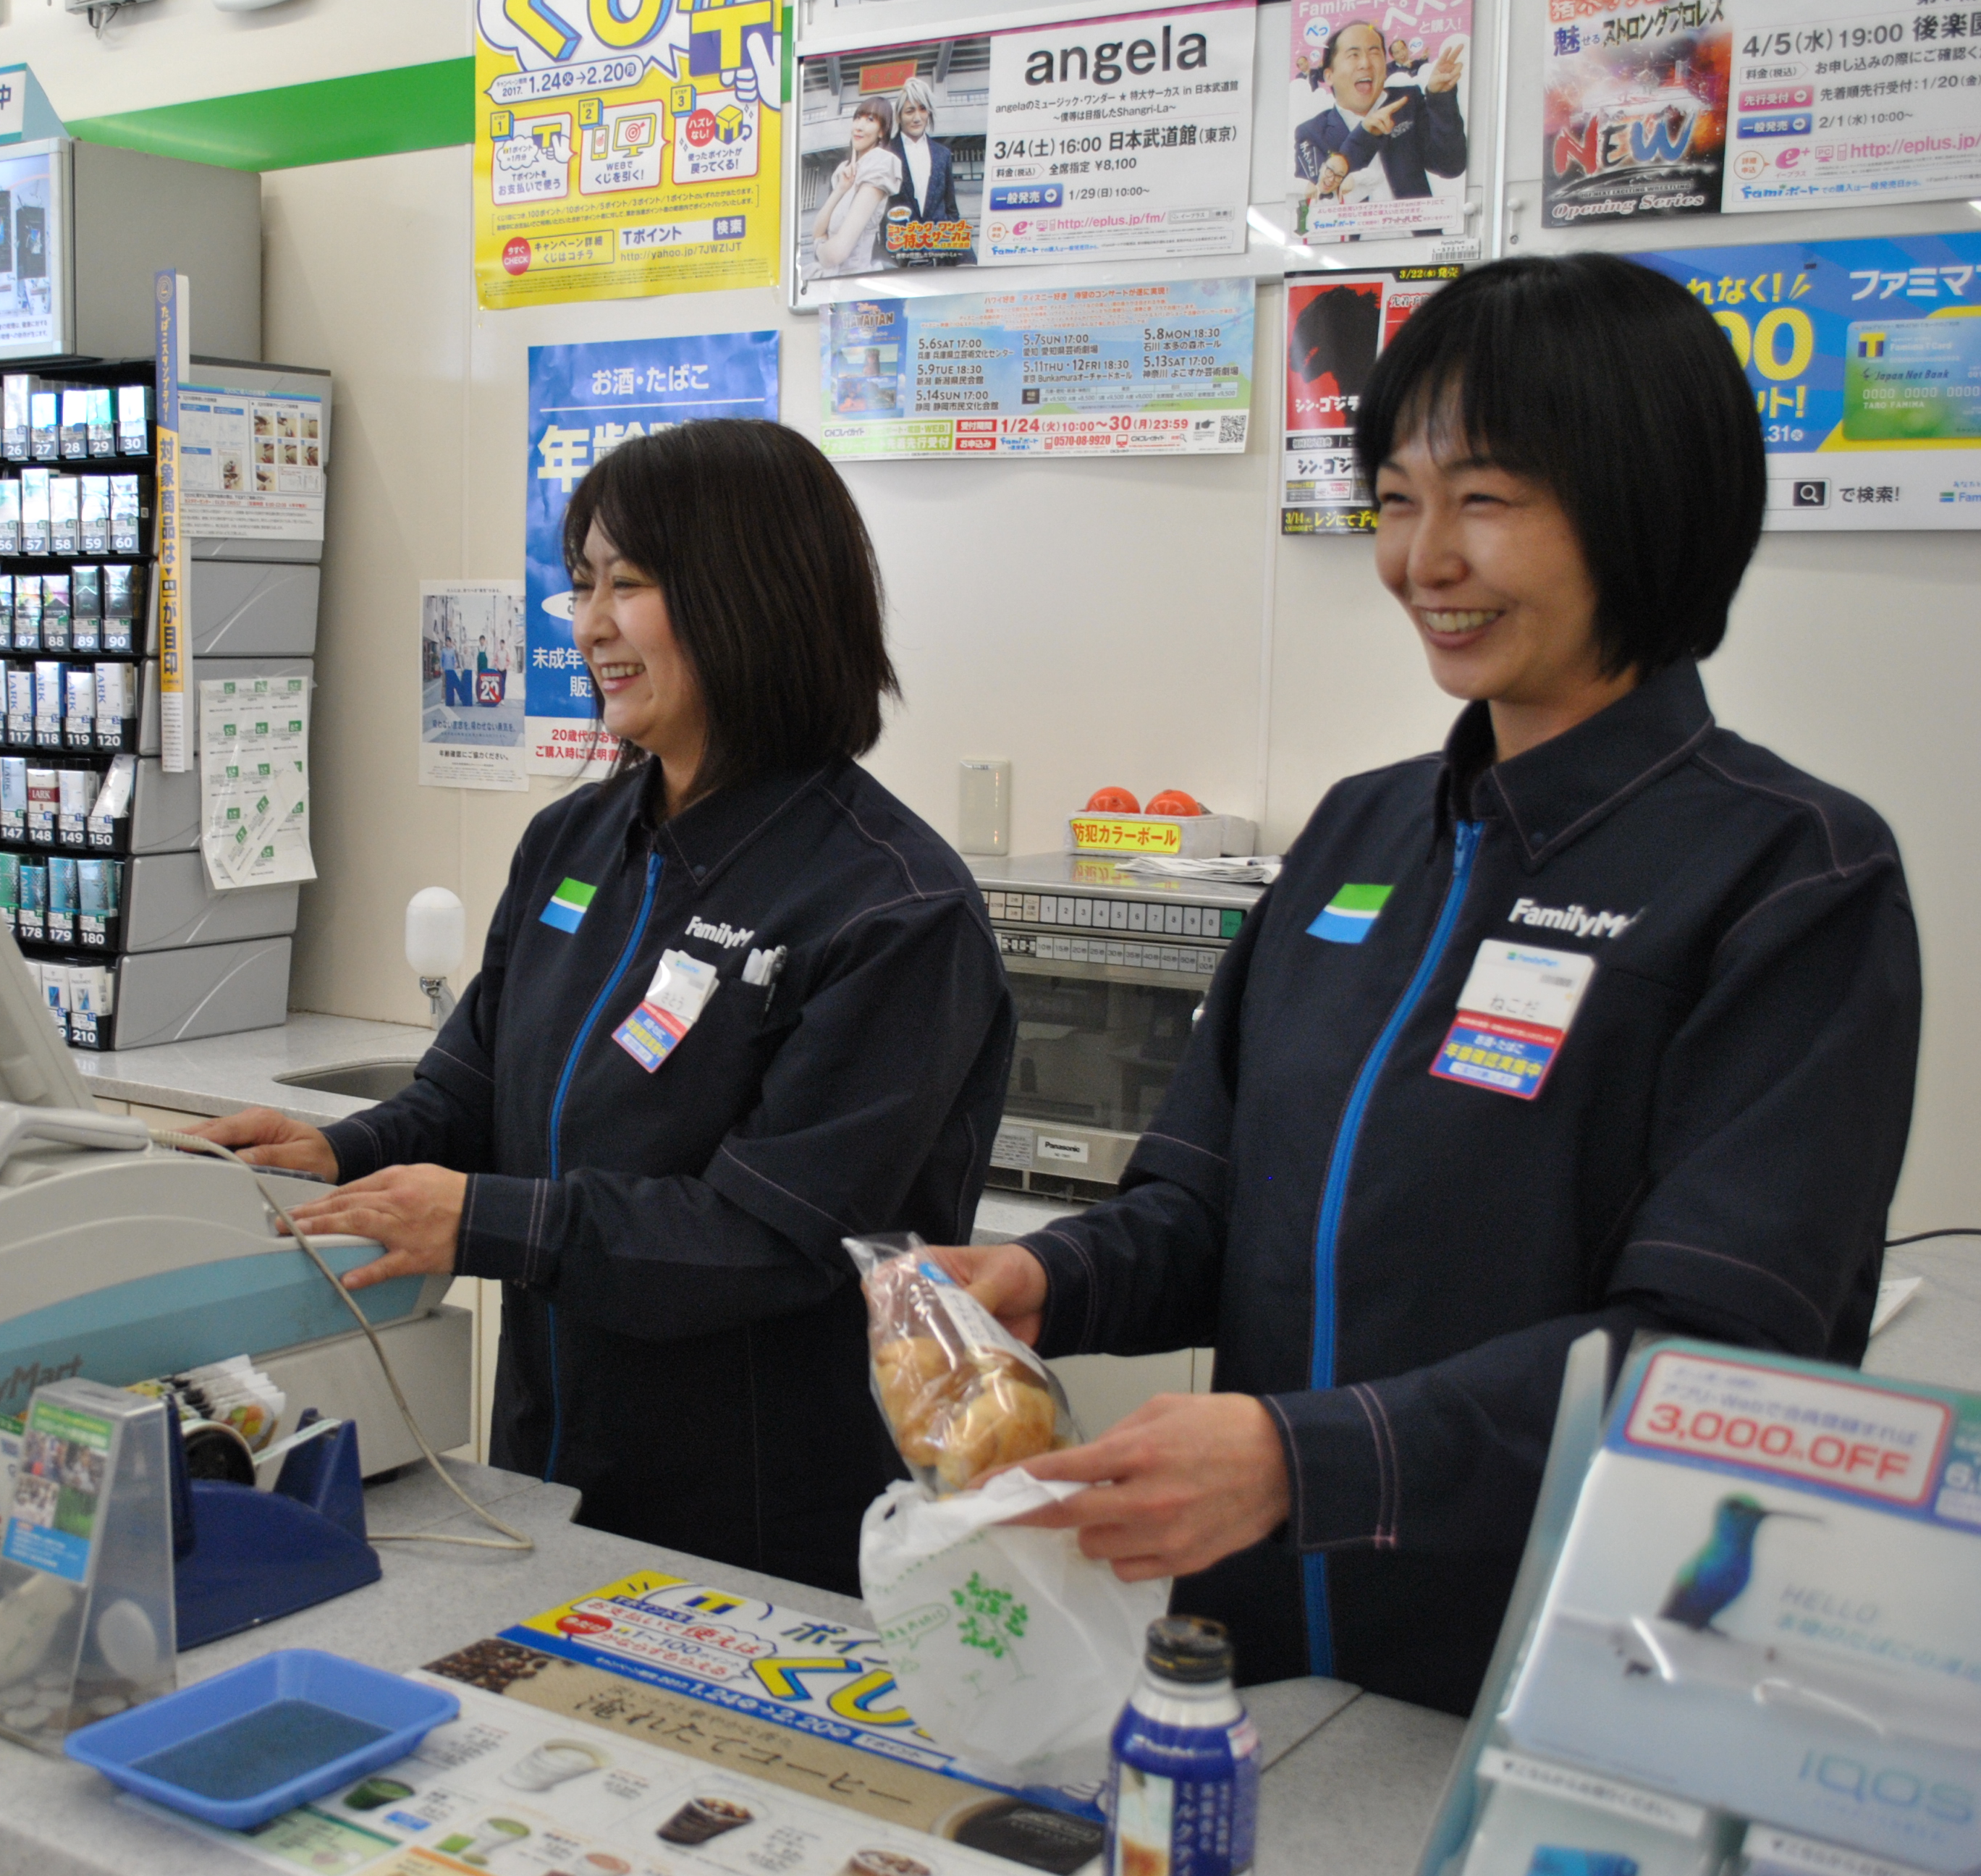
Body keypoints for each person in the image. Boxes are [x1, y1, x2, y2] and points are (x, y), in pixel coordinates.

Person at [926, 255, 1922, 1714]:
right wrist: (1042, 1278)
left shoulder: (1791, 877)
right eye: (1394, 499)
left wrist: (1299, 1458)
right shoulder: (1359, 833)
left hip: (1572, 1686)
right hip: (1258, 1667)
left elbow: (1707, 1360)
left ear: (1646, 504)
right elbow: (1202, 1211)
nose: (1420, 560)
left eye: (1486, 500)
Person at [190, 420, 1015, 1594]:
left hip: (770, 1527)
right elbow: (469, 1093)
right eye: (581, 583)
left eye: (627, 584)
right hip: (548, 1484)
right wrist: (337, 1149)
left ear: (751, 594)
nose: (587, 625)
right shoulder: (575, 843)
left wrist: (481, 1222)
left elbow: (763, 1240)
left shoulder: (891, 911)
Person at [1294, 20, 1467, 202]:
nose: (1365, 63)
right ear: (1329, 76)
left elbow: (1451, 166)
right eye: (1353, 55)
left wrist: (1441, 98)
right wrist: (1365, 134)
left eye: (1374, 52)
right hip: (1352, 230)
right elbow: (1319, 197)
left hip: (1417, 227)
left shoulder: (1408, 101)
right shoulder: (1311, 133)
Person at [807, 96, 902, 281]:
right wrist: (841, 190)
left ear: (882, 131)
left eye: (870, 120)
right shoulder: (844, 170)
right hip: (828, 279)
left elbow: (837, 252)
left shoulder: (880, 163)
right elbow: (817, 230)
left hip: (854, 282)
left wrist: (820, 247)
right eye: (857, 118)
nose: (859, 126)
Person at [886, 78, 961, 266]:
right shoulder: (885, 153)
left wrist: (962, 258)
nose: (917, 118)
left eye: (922, 109)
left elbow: (951, 211)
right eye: (910, 111)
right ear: (899, 116)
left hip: (940, 261)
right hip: (898, 262)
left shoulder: (942, 154)